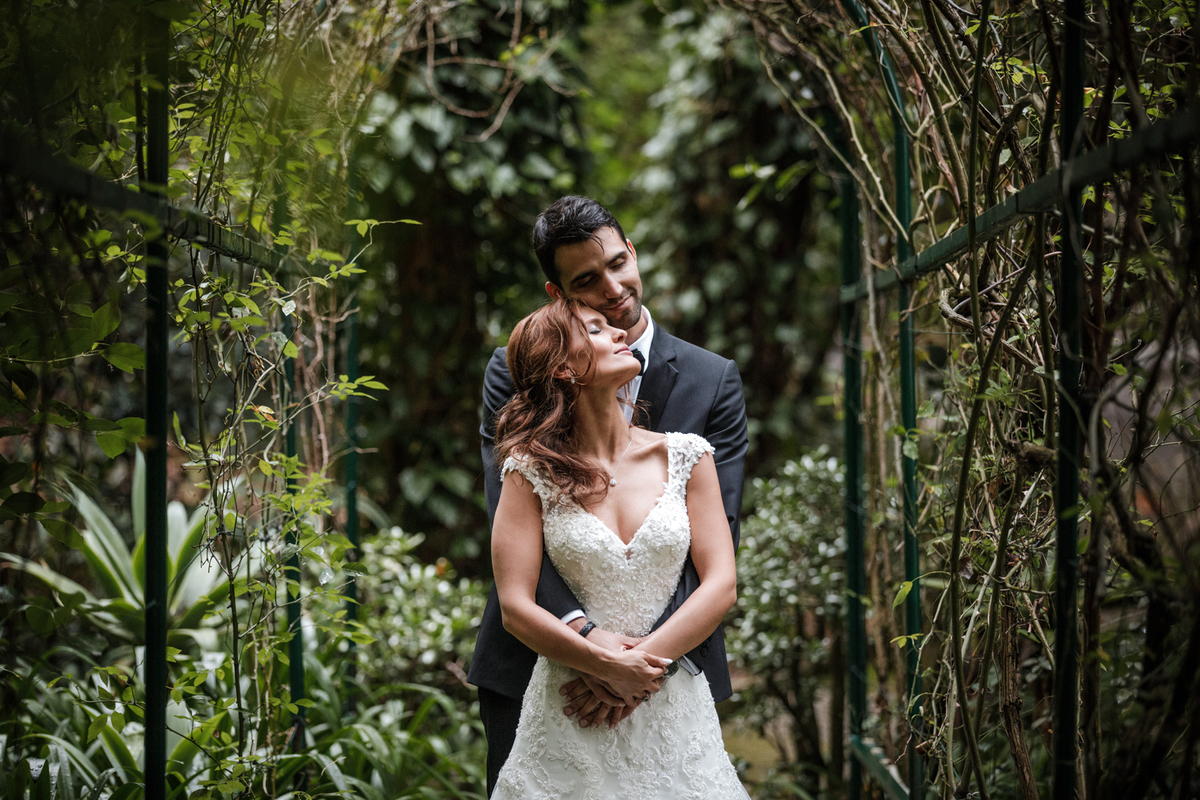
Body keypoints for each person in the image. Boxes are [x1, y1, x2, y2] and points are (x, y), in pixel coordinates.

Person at [467, 196, 748, 795]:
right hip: (539, 670)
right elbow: (512, 530)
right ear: (557, 293)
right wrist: (589, 646)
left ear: (633, 253)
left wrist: (642, 667)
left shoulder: (711, 380)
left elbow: (718, 544)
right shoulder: (516, 368)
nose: (614, 290)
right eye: (587, 282)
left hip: (673, 674)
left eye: (618, 264)